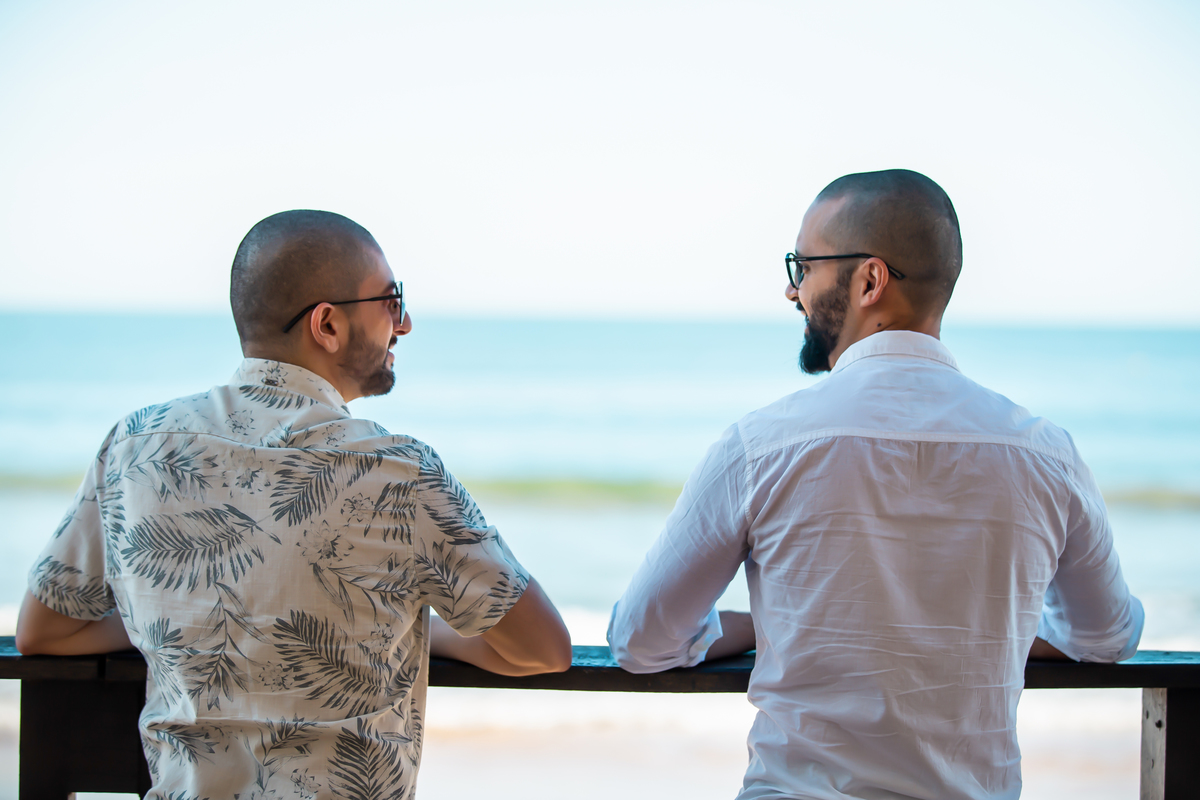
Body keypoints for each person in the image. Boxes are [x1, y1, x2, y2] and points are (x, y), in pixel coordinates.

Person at [607, 169, 1143, 800]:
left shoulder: (763, 446)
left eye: (802, 265)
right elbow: (1105, 637)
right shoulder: (1043, 453)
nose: (791, 289)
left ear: (869, 280)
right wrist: (988, 627)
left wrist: (768, 625)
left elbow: (641, 640)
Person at [16, 210, 572, 800]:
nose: (404, 323)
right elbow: (543, 649)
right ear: (327, 324)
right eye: (392, 301)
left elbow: (45, 631)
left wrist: (184, 628)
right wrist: (414, 630)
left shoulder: (136, 445)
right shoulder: (398, 472)